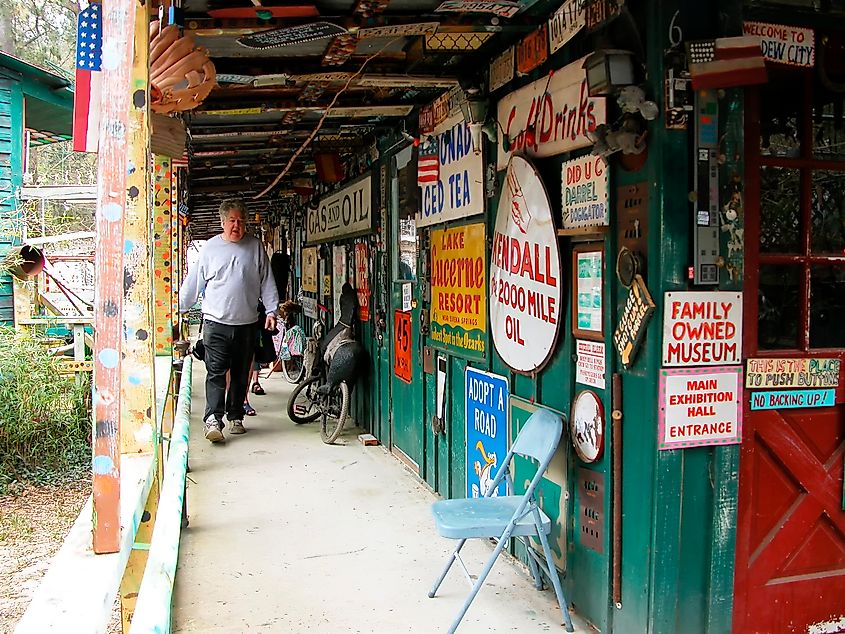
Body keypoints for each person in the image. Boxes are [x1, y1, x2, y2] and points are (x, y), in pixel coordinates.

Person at [179, 199, 279, 443]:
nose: (237, 225)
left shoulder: (255, 247)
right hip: (216, 323)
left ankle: (236, 416)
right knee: (215, 372)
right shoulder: (210, 249)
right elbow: (194, 283)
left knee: (240, 372)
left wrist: (272, 311)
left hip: (247, 323)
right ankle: (213, 419)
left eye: (241, 221)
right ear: (223, 222)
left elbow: (267, 281)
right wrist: (179, 308)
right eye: (232, 221)